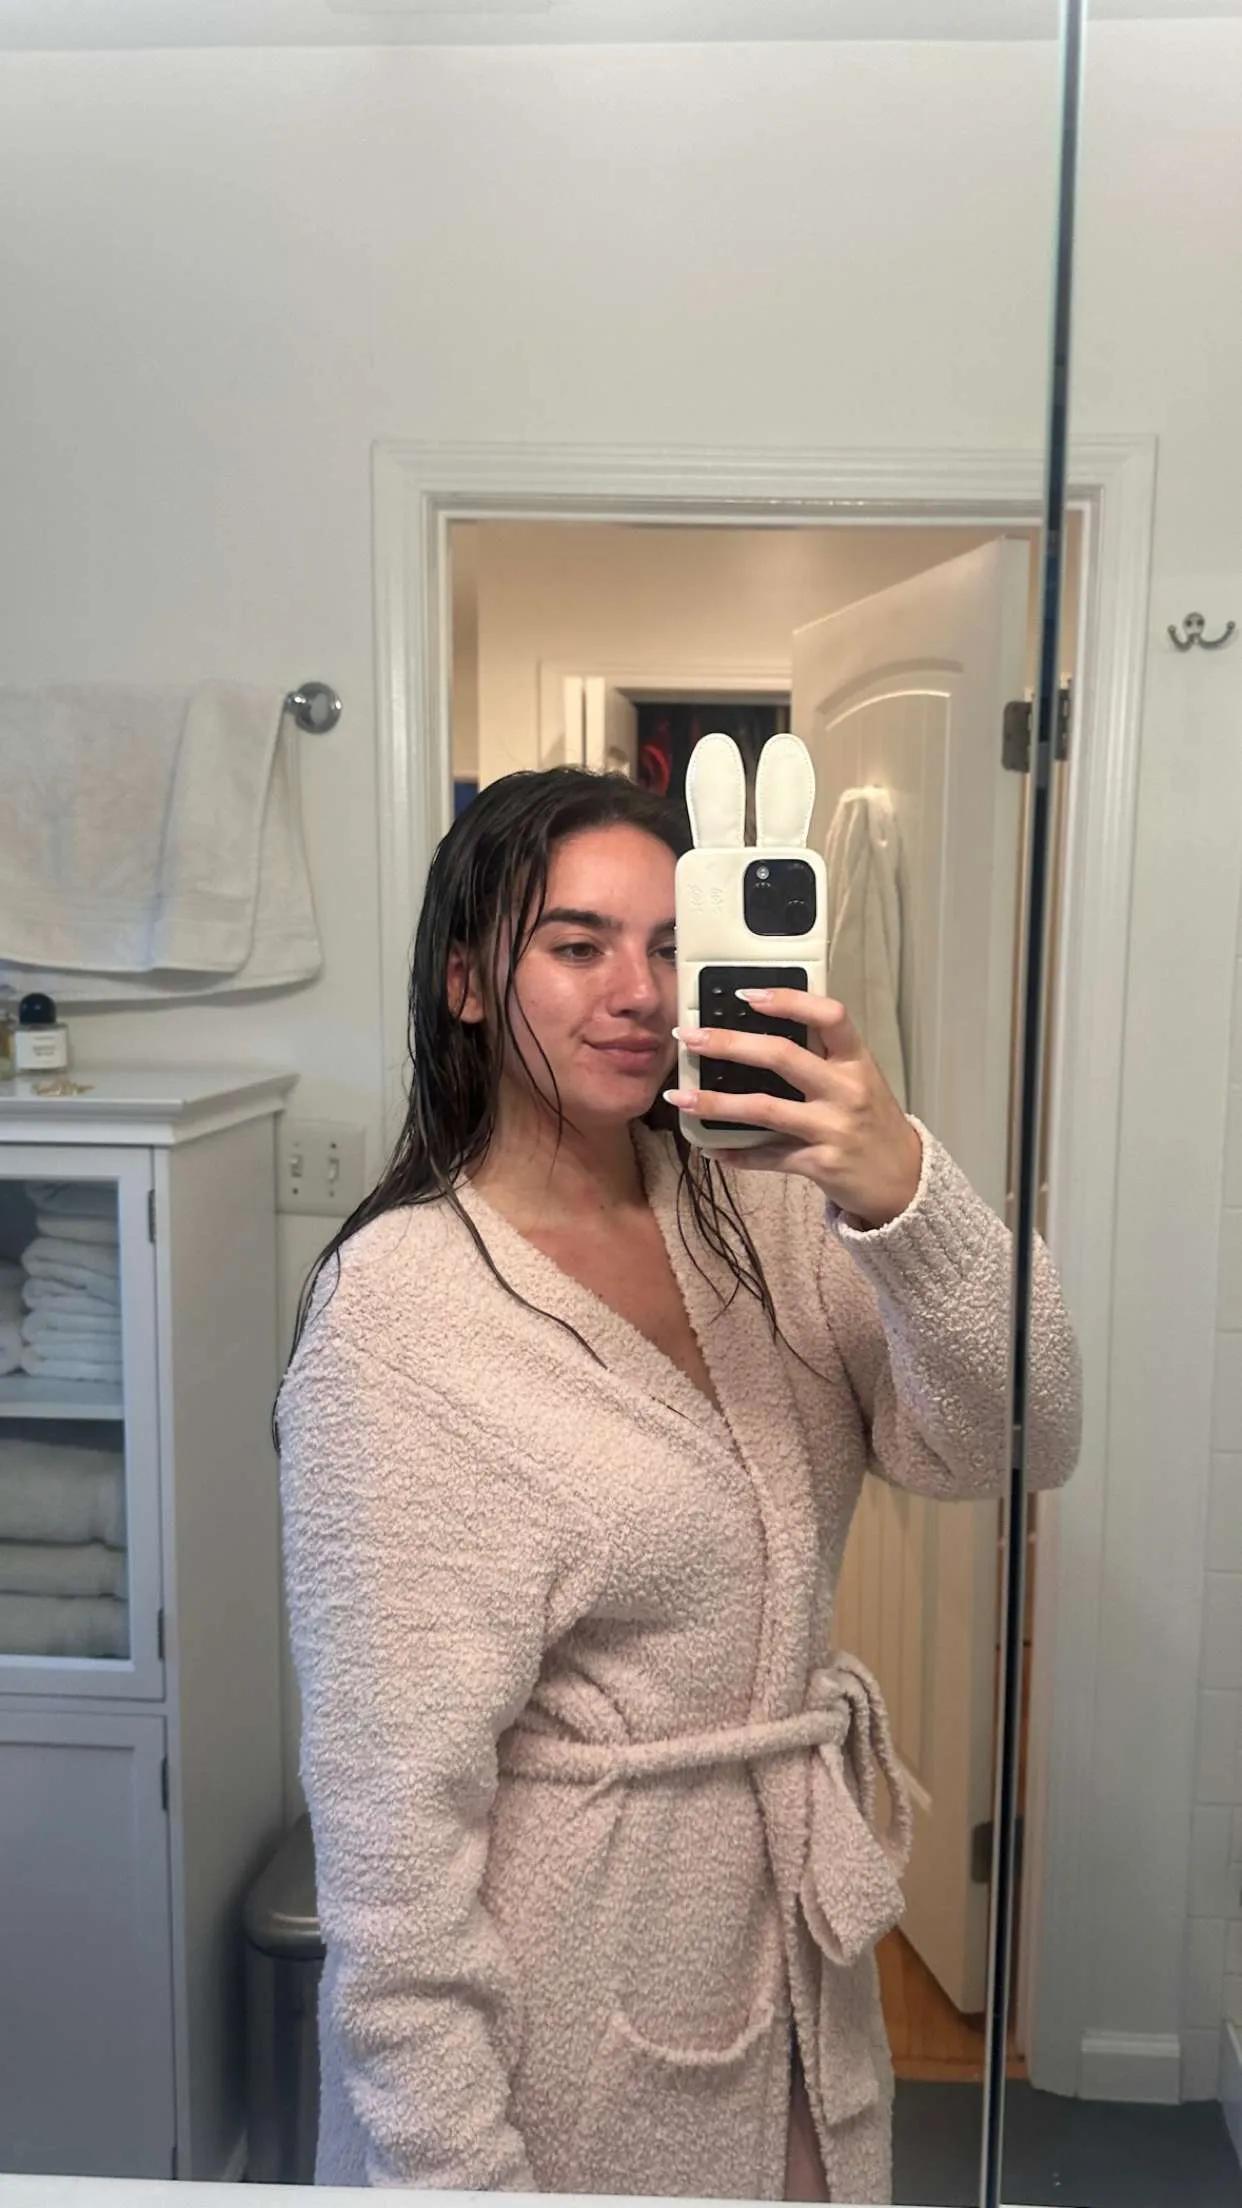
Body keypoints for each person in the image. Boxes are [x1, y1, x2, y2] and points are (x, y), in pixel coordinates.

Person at [277, 766, 1082, 2203]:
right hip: (559, 2035)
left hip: (797, 1986)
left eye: (668, 944)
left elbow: (1014, 1441)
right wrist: (460, 2177)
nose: (639, 992)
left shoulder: (768, 1213)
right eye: (576, 945)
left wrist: (901, 1188)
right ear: (467, 983)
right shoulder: (397, 1322)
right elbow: (393, 1857)